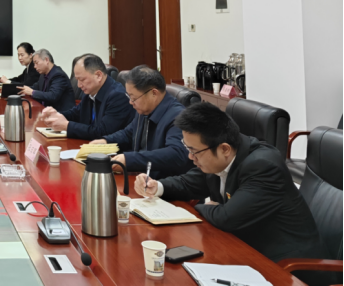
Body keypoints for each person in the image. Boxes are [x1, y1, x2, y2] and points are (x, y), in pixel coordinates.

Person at [135, 103, 324, 266]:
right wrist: (157, 186)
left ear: (224, 149)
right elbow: (188, 183)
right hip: (243, 249)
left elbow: (226, 218)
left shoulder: (263, 166)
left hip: (287, 267)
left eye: (194, 151)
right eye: (187, 148)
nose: (190, 157)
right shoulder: (219, 156)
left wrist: (201, 207)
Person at [90, 65, 192, 179]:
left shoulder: (177, 116)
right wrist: (105, 141)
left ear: (154, 93)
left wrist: (130, 160)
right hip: (141, 178)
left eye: (133, 98)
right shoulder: (144, 109)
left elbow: (176, 154)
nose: (130, 102)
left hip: (163, 184)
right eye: (129, 97)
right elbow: (128, 133)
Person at [42, 54, 135, 139]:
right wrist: (56, 115)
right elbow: (76, 113)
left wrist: (67, 126)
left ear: (98, 75)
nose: (79, 85)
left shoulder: (117, 96)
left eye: (82, 79)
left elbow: (103, 132)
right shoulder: (91, 91)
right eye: (77, 80)